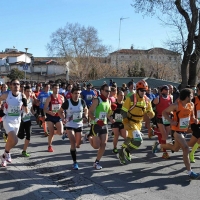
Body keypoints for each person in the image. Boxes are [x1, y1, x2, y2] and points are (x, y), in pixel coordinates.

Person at [152, 88, 200, 179]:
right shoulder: (176, 105)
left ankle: (159, 146)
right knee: (186, 148)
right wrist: (171, 121)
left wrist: (195, 120)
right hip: (175, 130)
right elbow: (164, 112)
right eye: (191, 95)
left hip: (184, 130)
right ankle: (190, 172)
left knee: (175, 148)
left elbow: (192, 117)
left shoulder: (191, 105)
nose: (193, 97)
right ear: (186, 97)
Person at [118, 80, 155, 164]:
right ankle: (127, 151)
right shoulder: (131, 98)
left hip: (139, 123)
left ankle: (121, 154)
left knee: (130, 139)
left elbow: (150, 111)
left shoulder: (147, 100)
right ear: (137, 90)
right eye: (142, 90)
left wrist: (151, 114)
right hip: (130, 122)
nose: (143, 92)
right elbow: (123, 111)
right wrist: (126, 122)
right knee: (138, 140)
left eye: (145, 91)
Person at [58, 87, 88, 170]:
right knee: (73, 142)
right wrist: (63, 118)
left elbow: (86, 109)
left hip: (79, 124)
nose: (77, 95)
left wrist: (86, 116)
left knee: (78, 145)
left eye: (78, 93)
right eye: (75, 93)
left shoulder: (82, 101)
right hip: (69, 124)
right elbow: (60, 111)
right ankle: (75, 162)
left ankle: (85, 138)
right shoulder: (67, 102)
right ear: (71, 94)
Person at [0, 79, 28, 167]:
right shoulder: (6, 95)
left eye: (18, 84)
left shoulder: (22, 95)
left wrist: (25, 104)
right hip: (7, 119)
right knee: (15, 140)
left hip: (17, 121)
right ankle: (7, 154)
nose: (16, 85)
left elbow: (26, 111)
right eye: (14, 84)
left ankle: (4, 157)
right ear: (11, 86)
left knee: (11, 140)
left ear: (20, 86)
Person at [88, 84, 112, 170]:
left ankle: (97, 162)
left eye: (109, 91)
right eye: (106, 91)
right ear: (101, 91)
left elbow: (108, 113)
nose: (108, 93)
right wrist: (97, 119)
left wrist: (112, 119)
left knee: (104, 144)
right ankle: (89, 137)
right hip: (96, 124)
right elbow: (90, 113)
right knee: (96, 146)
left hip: (104, 124)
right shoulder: (97, 100)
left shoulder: (109, 101)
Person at [152, 85, 173, 159]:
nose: (167, 91)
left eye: (167, 89)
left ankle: (156, 137)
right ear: (161, 91)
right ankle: (165, 153)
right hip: (160, 118)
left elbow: (171, 107)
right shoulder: (158, 98)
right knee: (164, 135)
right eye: (165, 89)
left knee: (166, 136)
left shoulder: (171, 97)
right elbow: (151, 106)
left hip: (167, 118)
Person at [43, 84, 65, 152]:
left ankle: (53, 131)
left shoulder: (61, 97)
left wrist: (63, 113)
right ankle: (49, 146)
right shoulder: (49, 98)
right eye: (55, 88)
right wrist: (50, 112)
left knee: (61, 132)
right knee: (51, 133)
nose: (57, 90)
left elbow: (63, 108)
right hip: (50, 117)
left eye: (58, 88)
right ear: (52, 89)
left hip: (58, 117)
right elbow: (44, 109)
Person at [17, 86, 34, 157]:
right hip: (21, 120)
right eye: (27, 91)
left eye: (30, 91)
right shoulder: (21, 100)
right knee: (21, 136)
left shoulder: (31, 100)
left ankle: (24, 151)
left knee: (29, 135)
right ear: (24, 92)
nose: (29, 93)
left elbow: (31, 109)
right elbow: (25, 110)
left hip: (28, 120)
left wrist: (35, 114)